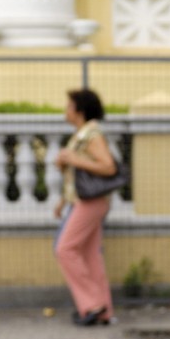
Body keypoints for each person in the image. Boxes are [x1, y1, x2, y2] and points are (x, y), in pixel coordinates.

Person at [52, 87, 117, 326]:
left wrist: (73, 159)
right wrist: (63, 201)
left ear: (80, 111)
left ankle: (92, 304)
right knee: (90, 255)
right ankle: (103, 311)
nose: (66, 110)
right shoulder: (82, 134)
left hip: (91, 202)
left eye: (69, 106)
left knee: (65, 249)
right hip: (85, 200)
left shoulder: (92, 134)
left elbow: (108, 167)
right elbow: (77, 176)